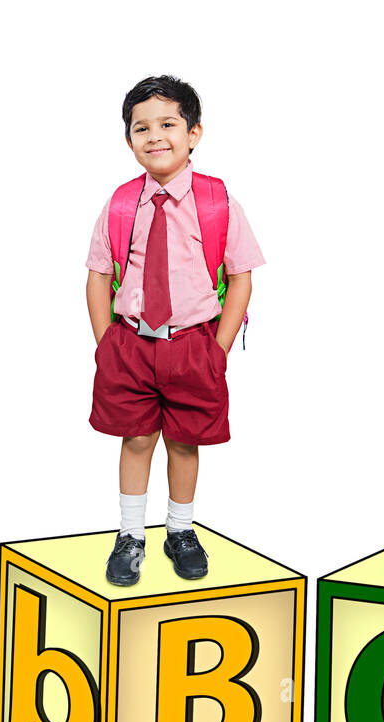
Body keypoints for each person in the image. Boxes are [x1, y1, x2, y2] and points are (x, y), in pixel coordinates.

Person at [86, 75, 263, 586]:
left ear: (194, 133)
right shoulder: (121, 203)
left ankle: (180, 530)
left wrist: (219, 349)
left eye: (168, 124)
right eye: (142, 127)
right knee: (136, 439)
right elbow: (98, 275)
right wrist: (108, 345)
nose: (155, 136)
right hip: (132, 343)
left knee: (186, 443)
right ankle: (130, 534)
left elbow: (240, 275)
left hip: (193, 343)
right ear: (129, 140)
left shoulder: (217, 201)